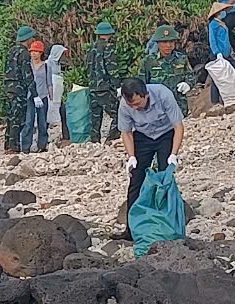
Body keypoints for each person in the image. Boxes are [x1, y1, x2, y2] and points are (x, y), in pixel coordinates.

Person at [115, 78, 184, 216]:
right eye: (131, 105)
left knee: (165, 176)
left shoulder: (163, 94)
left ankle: (168, 219)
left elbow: (178, 126)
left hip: (166, 133)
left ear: (146, 95)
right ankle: (131, 228)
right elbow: (126, 132)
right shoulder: (125, 104)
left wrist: (174, 154)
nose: (135, 108)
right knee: (136, 178)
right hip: (143, 135)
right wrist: (131, 157)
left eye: (137, 103)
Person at [82, 21, 121, 143]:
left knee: (95, 117)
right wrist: (117, 85)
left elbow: (87, 68)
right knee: (118, 114)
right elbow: (112, 69)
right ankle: (111, 139)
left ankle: (95, 141)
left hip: (93, 86)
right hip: (105, 87)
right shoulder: (108, 48)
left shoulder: (91, 49)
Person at [0, 27, 35, 153]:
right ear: (28, 39)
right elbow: (27, 74)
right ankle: (13, 146)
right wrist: (34, 92)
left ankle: (8, 144)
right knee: (18, 118)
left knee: (11, 116)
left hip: (9, 87)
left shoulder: (11, 51)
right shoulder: (24, 53)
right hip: (19, 89)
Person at [18, 36, 52, 152]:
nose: (34, 54)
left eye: (36, 51)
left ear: (41, 53)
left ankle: (42, 145)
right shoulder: (28, 65)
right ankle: (25, 147)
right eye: (32, 51)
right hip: (30, 97)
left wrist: (51, 98)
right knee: (29, 122)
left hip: (43, 96)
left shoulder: (46, 66)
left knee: (42, 122)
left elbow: (49, 83)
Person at [139, 24, 191, 93]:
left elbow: (191, 77)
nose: (168, 45)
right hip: (156, 101)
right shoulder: (148, 61)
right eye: (164, 42)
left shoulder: (182, 59)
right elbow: (141, 84)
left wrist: (188, 84)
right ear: (157, 43)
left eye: (171, 41)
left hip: (177, 102)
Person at [40, 42, 68, 147]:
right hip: (49, 95)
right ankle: (42, 140)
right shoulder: (48, 64)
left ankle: (66, 136)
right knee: (46, 116)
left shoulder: (57, 65)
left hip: (58, 96)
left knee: (62, 113)